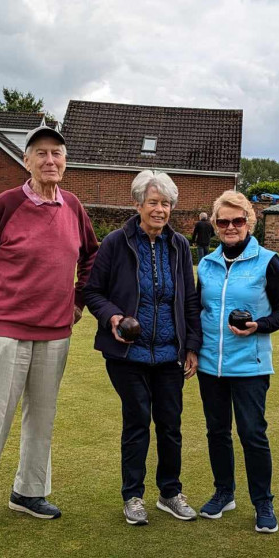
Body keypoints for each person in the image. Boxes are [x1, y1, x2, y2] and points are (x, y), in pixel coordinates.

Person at [0, 126, 99, 533]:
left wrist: (79, 298)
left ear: (65, 162)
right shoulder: (6, 204)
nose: (50, 161)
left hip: (55, 331)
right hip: (8, 329)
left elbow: (91, 257)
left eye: (57, 154)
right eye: (41, 154)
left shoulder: (72, 206)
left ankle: (29, 492)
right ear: (27, 161)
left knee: (43, 417)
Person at [83, 170, 202, 526]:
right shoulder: (116, 242)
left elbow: (190, 300)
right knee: (137, 421)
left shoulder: (179, 245)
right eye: (153, 202)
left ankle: (169, 493)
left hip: (169, 353)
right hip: (127, 355)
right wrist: (113, 318)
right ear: (138, 205)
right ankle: (133, 496)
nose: (160, 210)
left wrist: (192, 346)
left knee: (170, 424)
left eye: (166, 204)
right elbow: (92, 292)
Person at [196, 190, 279, 533]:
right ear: (216, 225)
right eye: (223, 221)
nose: (231, 226)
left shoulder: (267, 260)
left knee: (252, 433)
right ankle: (224, 492)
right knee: (217, 431)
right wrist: (193, 350)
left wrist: (258, 326)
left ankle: (263, 502)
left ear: (249, 222)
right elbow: (198, 310)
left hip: (250, 365)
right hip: (211, 365)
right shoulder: (206, 264)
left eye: (238, 220)